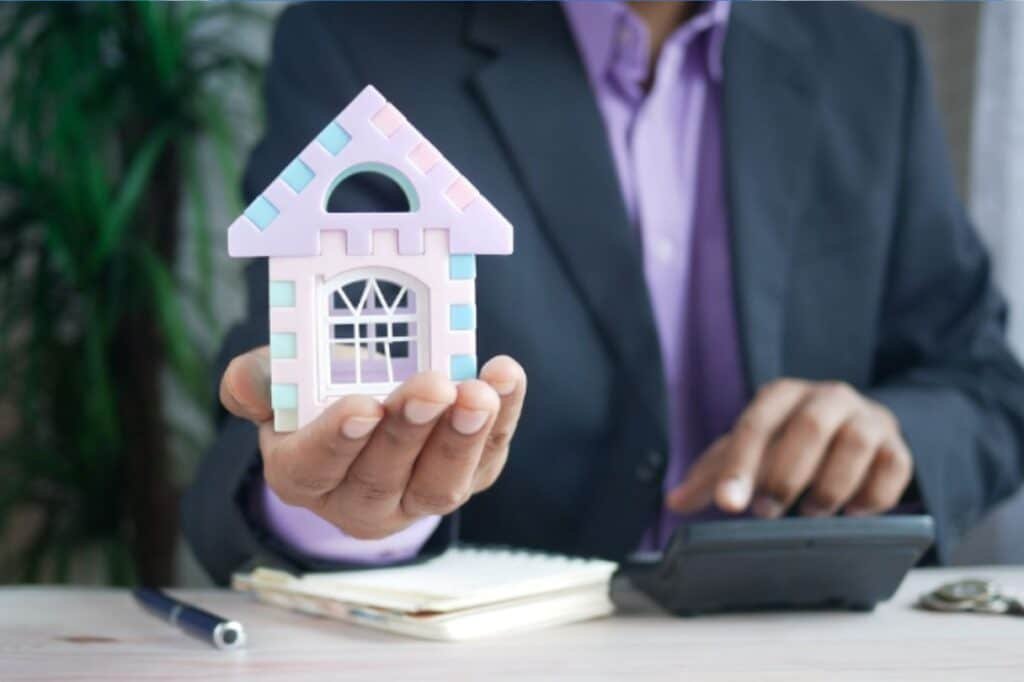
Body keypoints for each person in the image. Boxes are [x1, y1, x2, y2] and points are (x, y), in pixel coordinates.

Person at [184, 1, 1024, 585]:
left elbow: (985, 388)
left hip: (811, 637)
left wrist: (895, 434)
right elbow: (291, 400)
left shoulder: (875, 65)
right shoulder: (356, 47)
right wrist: (350, 509)